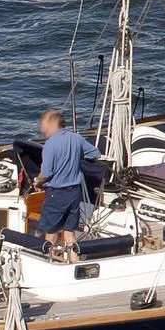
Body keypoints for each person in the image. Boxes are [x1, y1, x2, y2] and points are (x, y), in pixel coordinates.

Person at [32, 108, 96, 261]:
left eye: (45, 124)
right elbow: (95, 153)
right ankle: (74, 262)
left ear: (53, 123)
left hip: (57, 193)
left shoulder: (50, 144)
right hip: (74, 192)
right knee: (69, 232)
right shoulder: (76, 139)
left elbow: (46, 172)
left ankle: (49, 261)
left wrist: (37, 181)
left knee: (51, 232)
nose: (42, 128)